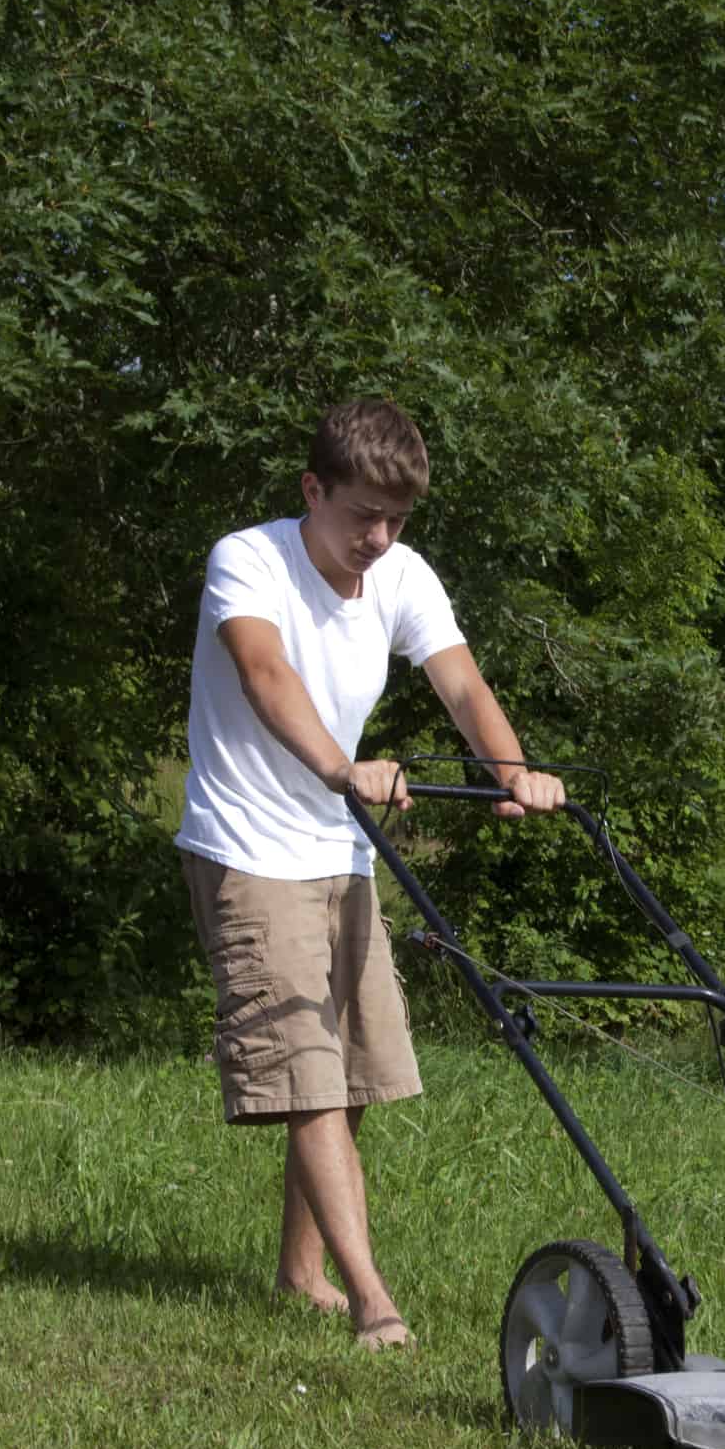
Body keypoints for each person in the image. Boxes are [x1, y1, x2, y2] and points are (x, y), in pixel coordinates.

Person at [175, 398, 562, 1350]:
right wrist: (342, 768)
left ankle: (297, 1276)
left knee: (348, 1080)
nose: (378, 539)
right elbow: (266, 676)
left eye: (396, 521)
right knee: (306, 1079)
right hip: (248, 848)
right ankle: (371, 1300)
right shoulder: (248, 561)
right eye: (361, 517)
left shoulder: (399, 572)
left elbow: (461, 682)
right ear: (313, 490)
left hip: (339, 852)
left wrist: (512, 773)